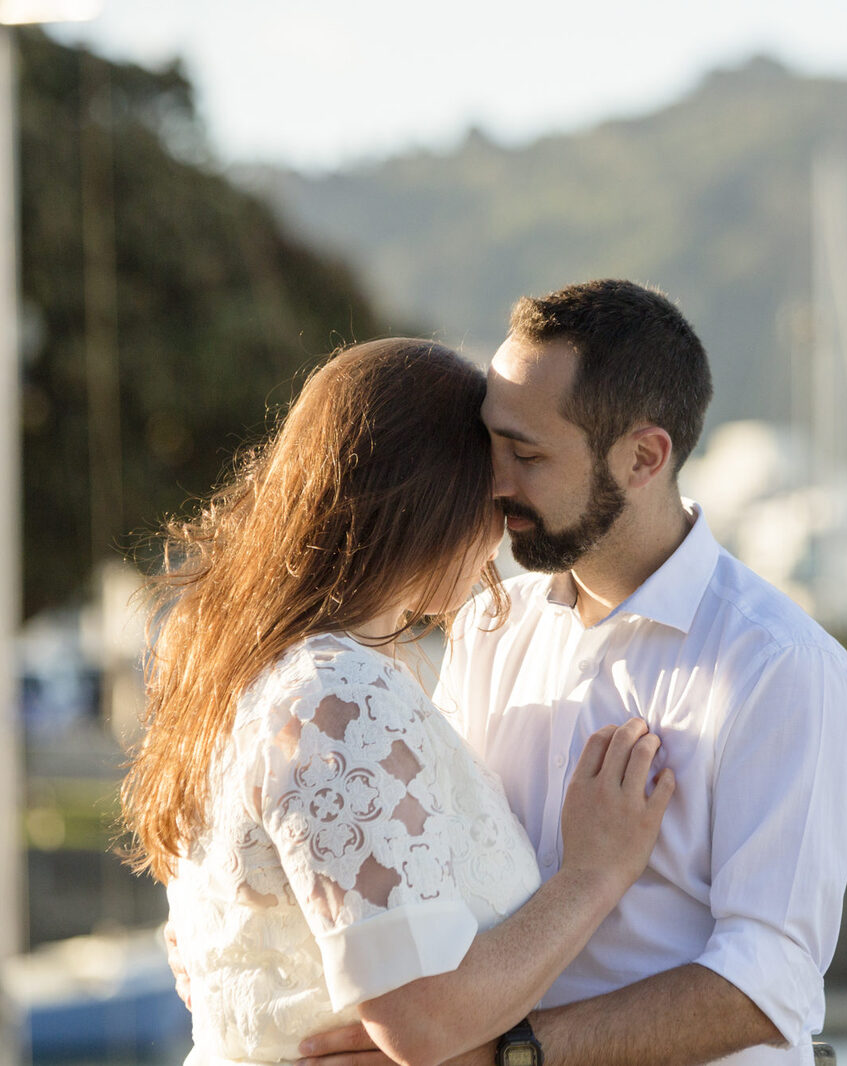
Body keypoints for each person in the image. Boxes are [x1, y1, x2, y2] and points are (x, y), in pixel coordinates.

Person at [297, 281, 847, 1066]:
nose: (494, 484)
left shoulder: (782, 668)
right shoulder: (488, 627)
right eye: (491, 446)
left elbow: (768, 983)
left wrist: (510, 1058)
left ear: (644, 457)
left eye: (527, 455)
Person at [120, 337, 675, 1066]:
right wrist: (593, 875)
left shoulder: (241, 674)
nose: (499, 538)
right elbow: (421, 1022)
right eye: (492, 500)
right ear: (434, 499)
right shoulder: (335, 695)